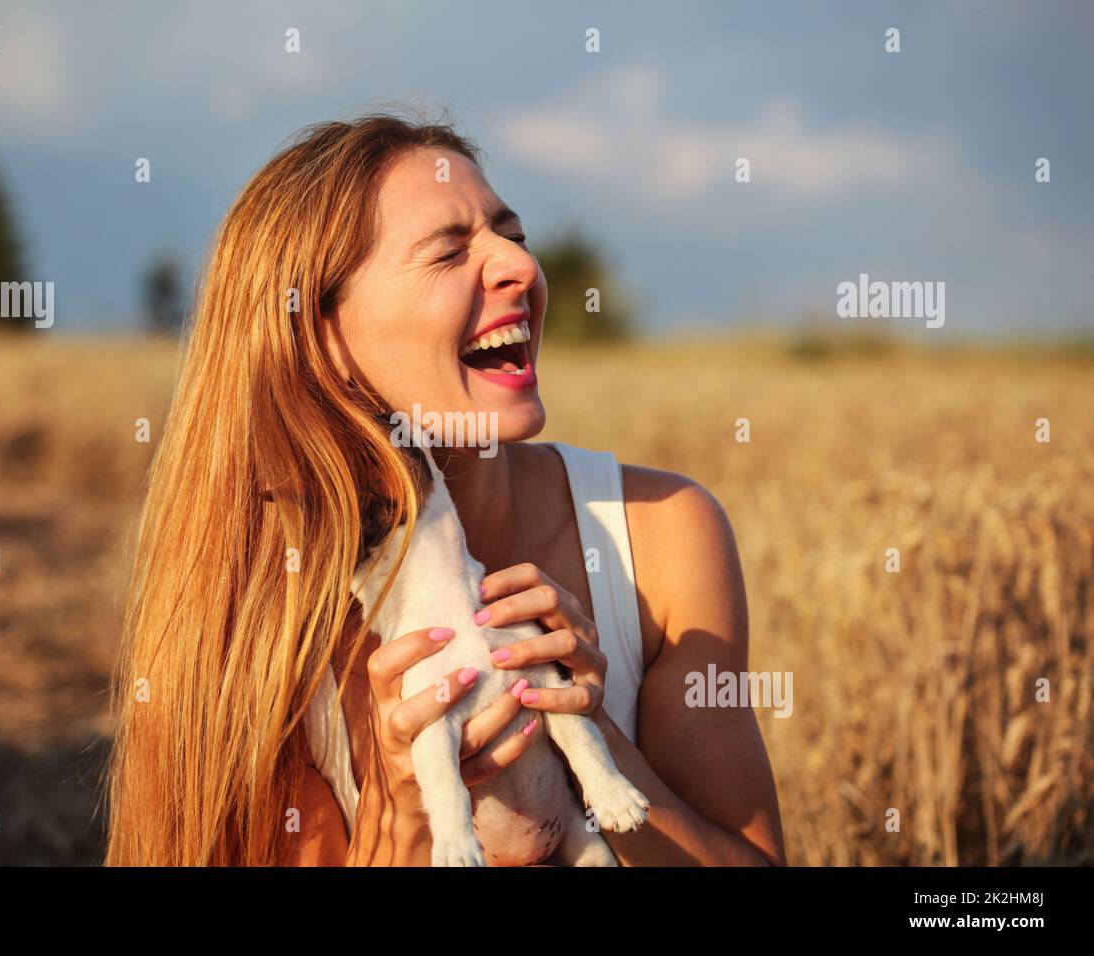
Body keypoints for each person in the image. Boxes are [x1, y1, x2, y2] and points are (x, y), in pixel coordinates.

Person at [104, 108, 786, 867]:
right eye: (447, 252)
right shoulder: (273, 605)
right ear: (320, 337)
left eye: (512, 236)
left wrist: (593, 737)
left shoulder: (662, 533)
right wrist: (406, 823)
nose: (520, 269)